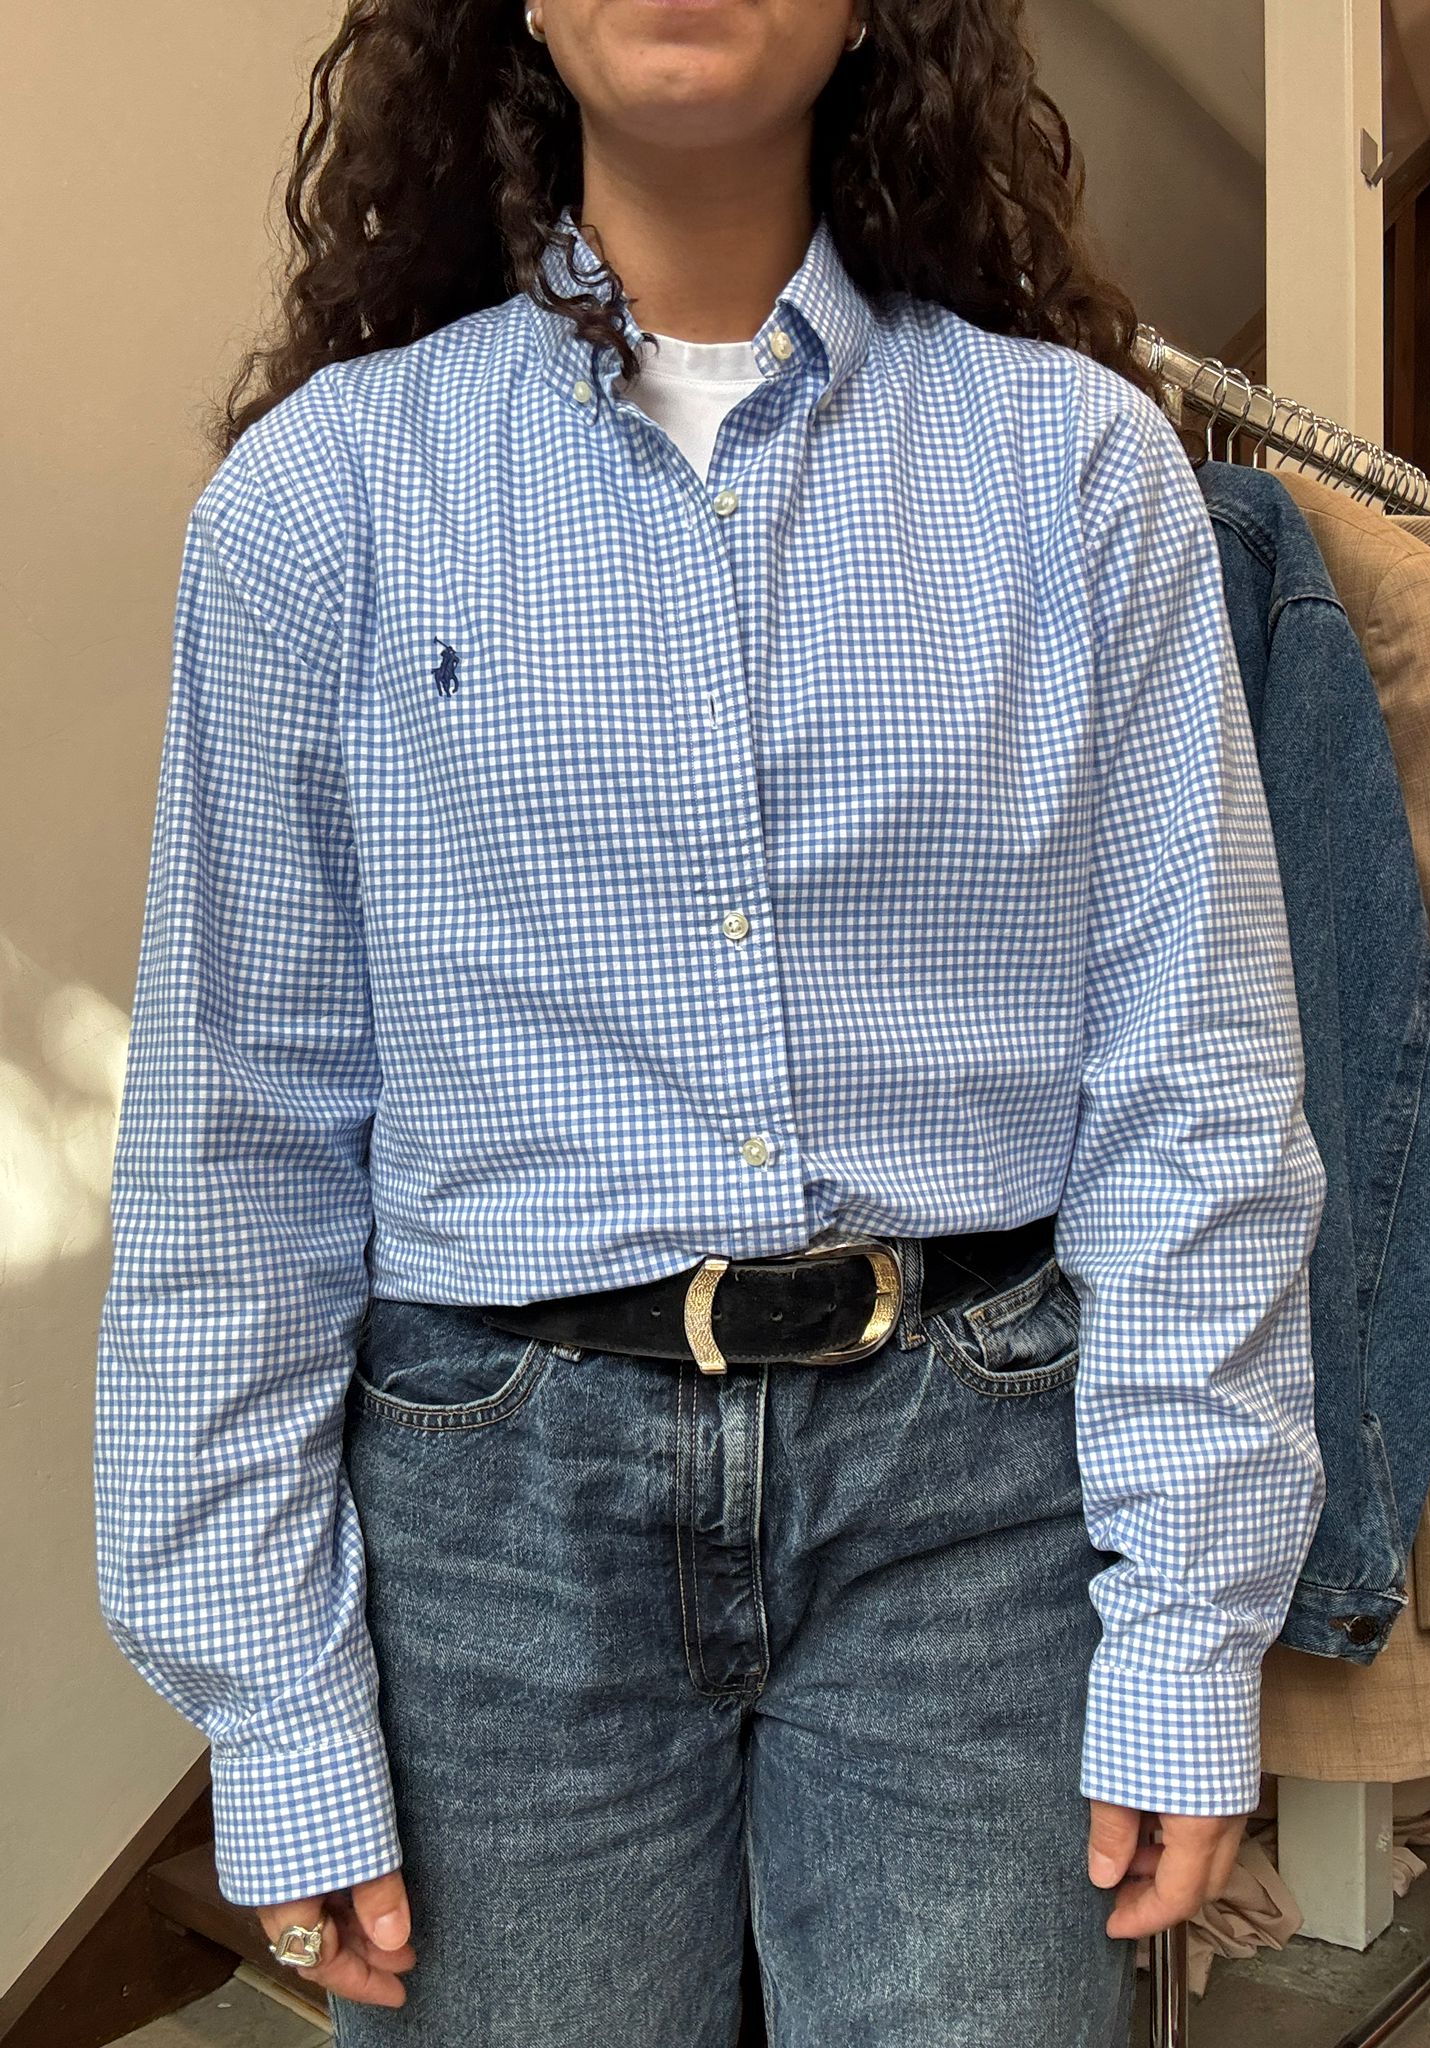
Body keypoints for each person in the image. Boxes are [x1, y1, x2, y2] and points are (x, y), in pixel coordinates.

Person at [93, 2, 1329, 2042]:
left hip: (974, 1507)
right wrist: (273, 1695)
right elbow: (240, 1139)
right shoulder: (326, 501)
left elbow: (1194, 1078)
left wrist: (1192, 1631)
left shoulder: (1079, 473)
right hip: (493, 1529)